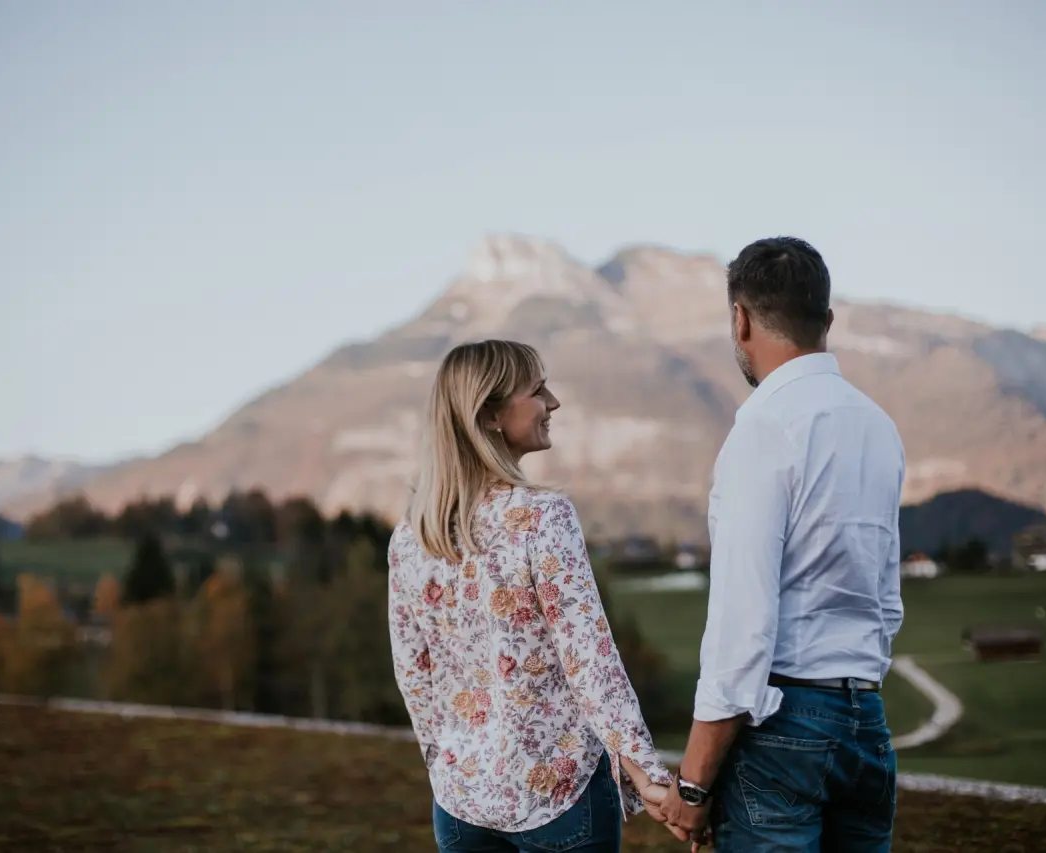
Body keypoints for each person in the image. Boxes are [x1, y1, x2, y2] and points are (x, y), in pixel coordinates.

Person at [657, 237, 906, 852]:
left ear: (740, 320)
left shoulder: (764, 430)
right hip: (866, 722)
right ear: (826, 320)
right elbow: (887, 601)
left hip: (783, 728)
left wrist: (692, 787)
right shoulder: (878, 427)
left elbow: (743, 628)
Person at [387, 339, 685, 853]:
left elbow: (414, 673)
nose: (554, 402)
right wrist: (646, 776)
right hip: (560, 796)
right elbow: (589, 658)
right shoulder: (543, 518)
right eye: (537, 389)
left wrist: (446, 762)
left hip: (461, 803)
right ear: (491, 415)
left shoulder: (410, 538)